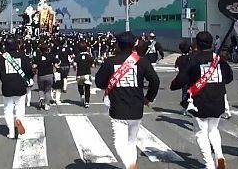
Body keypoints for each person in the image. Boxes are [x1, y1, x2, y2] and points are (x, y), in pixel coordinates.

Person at [95, 32, 160, 169]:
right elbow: (155, 80)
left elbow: (99, 82)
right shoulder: (141, 61)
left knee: (119, 144)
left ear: (117, 45)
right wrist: (148, 98)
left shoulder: (110, 62)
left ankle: (131, 167)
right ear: (134, 45)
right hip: (137, 108)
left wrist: (110, 84)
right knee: (131, 142)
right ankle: (131, 165)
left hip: (118, 109)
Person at [170, 31, 233, 169]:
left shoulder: (192, 59)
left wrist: (173, 85)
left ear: (197, 43)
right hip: (217, 100)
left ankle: (209, 164)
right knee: (213, 130)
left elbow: (181, 80)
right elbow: (229, 78)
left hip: (199, 102)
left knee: (201, 133)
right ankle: (220, 157)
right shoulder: (218, 59)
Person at [0, 38, 33, 139]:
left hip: (7, 87)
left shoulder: (3, 57)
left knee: (8, 109)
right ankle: (18, 120)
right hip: (20, 86)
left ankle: (11, 132)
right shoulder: (22, 56)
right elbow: (29, 70)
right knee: (20, 108)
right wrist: (29, 77)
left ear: (6, 46)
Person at [34, 43, 58, 110]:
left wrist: (34, 70)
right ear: (47, 49)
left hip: (41, 75)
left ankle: (41, 98)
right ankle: (46, 105)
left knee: (41, 89)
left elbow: (34, 66)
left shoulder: (37, 57)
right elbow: (56, 64)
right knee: (47, 91)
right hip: (49, 74)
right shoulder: (50, 56)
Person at [174, 40, 192, 113]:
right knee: (192, 92)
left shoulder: (179, 59)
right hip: (192, 77)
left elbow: (176, 68)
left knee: (184, 92)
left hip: (183, 78)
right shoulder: (191, 57)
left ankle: (185, 108)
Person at [75, 41, 94, 108]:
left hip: (79, 74)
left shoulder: (78, 56)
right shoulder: (89, 56)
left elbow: (74, 64)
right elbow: (93, 64)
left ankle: (82, 95)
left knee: (80, 86)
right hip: (87, 74)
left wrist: (75, 68)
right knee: (87, 88)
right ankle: (87, 102)